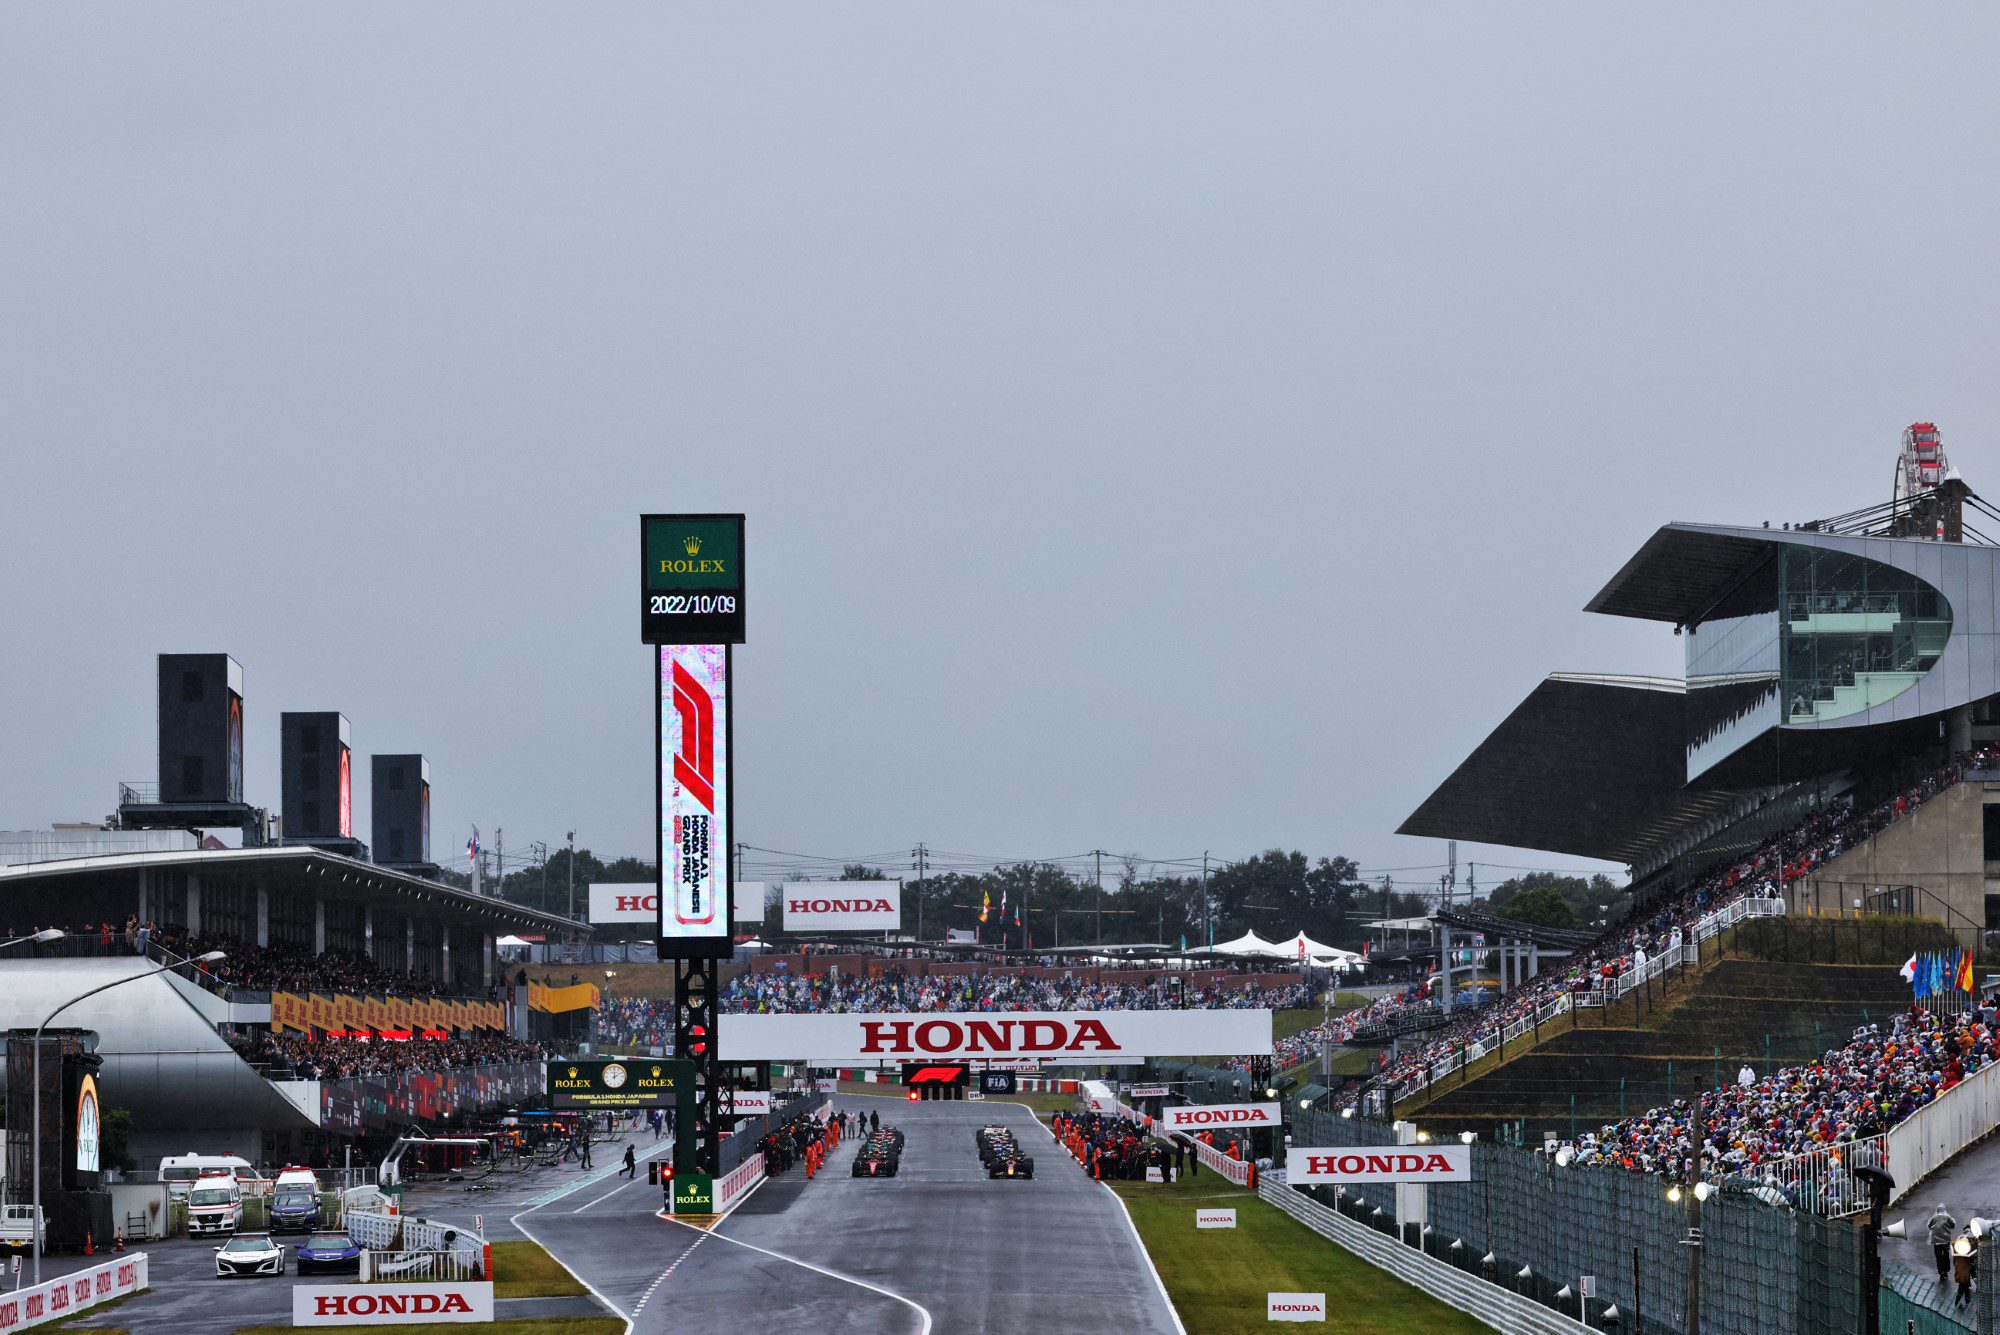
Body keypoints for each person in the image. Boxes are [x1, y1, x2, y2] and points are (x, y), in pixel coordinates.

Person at [1930, 1204, 1958, 1283]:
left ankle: (1941, 1272)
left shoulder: (1934, 1217)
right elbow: (1953, 1226)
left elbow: (1929, 1225)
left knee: (1938, 1257)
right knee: (1946, 1255)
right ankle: (1946, 1270)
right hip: (1946, 1240)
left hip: (1936, 1241)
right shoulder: (1947, 1216)